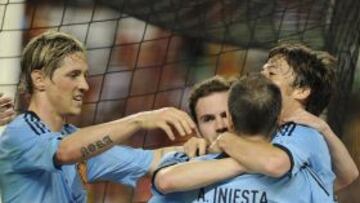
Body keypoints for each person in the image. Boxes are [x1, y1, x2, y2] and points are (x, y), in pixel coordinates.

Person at [0, 31, 198, 203]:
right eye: (73, 75)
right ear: (39, 79)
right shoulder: (20, 132)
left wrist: (209, 148)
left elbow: (152, 159)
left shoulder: (79, 143)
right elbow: (65, 152)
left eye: (85, 75)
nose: (85, 85)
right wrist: (139, 120)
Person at [150, 44, 358, 202]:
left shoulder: (302, 132)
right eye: (262, 71)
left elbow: (274, 164)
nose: (260, 77)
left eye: (272, 73)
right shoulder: (256, 128)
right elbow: (346, 177)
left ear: (301, 91)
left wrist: (225, 141)